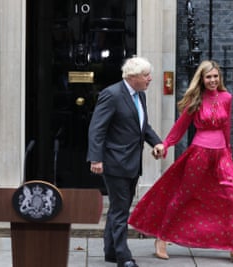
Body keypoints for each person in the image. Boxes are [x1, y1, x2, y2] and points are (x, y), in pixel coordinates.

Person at [128, 60, 233, 266]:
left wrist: (228, 153)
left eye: (215, 76)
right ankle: (162, 237)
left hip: (221, 154)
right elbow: (180, 127)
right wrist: (165, 145)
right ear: (202, 80)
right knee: (184, 195)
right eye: (208, 77)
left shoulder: (226, 97)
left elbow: (227, 127)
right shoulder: (195, 100)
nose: (213, 80)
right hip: (199, 154)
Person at [87, 56, 164, 267]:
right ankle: (124, 257)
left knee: (118, 208)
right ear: (132, 77)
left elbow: (143, 126)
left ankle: (111, 251)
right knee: (121, 211)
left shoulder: (140, 96)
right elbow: (97, 128)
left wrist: (156, 142)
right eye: (146, 75)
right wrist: (96, 158)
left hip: (131, 162)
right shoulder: (112, 95)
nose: (150, 79)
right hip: (115, 162)